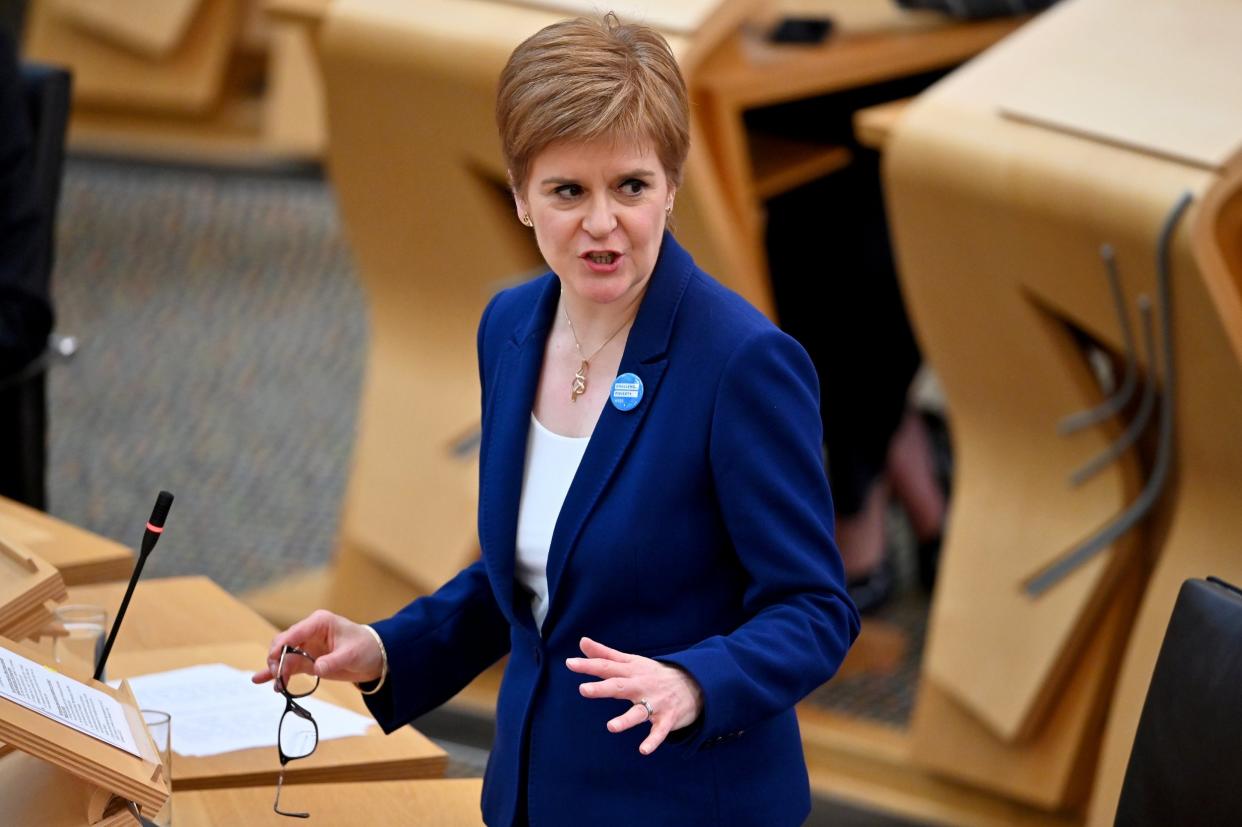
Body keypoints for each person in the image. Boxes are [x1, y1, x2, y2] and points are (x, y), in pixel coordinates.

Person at [253, 15, 858, 826]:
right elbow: (535, 578)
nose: (602, 223)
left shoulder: (742, 363)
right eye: (568, 190)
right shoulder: (509, 328)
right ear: (520, 196)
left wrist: (695, 681)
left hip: (683, 801)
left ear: (672, 185)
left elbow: (815, 608)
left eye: (632, 187)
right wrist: (387, 648)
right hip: (533, 796)